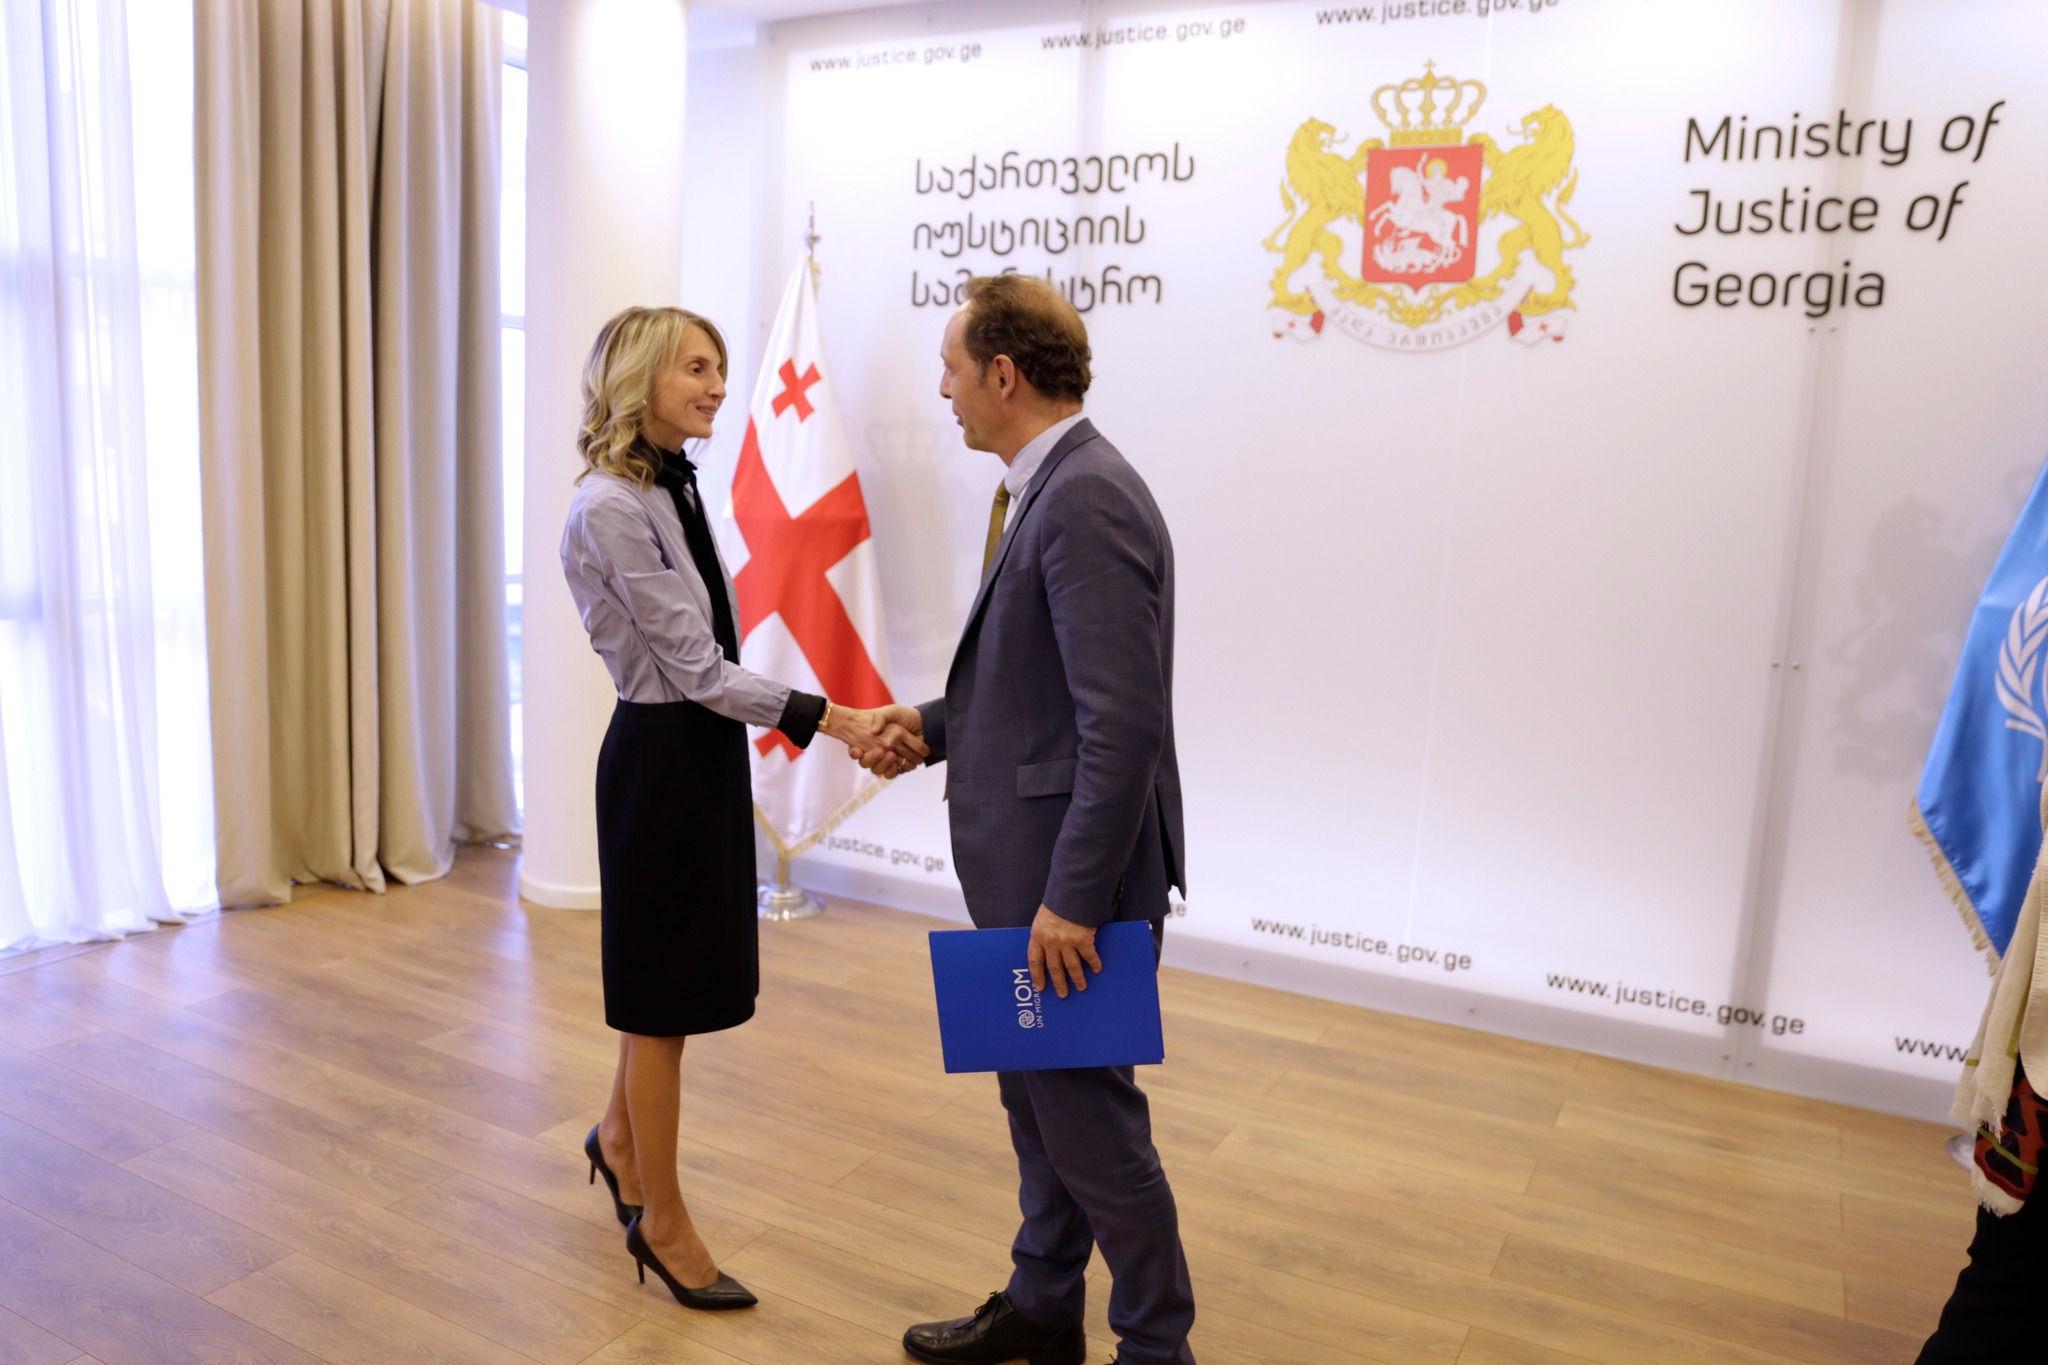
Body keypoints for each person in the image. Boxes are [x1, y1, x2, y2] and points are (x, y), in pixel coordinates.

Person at [853, 275, 1195, 1365]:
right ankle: (1044, 1305)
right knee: (1039, 1110)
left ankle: (1156, 1347)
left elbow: (1121, 728)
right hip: (1029, 878)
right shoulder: (1047, 486)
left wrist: (1071, 901)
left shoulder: (1085, 497)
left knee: (1091, 1128)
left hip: (1065, 892)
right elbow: (1032, 688)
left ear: (1002, 374)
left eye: (951, 370)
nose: (942, 391)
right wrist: (928, 726)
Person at [559, 305, 924, 1312]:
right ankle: (664, 1223)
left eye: (719, 367)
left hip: (699, 754)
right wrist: (837, 718)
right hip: (660, 764)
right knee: (661, 1005)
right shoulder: (611, 507)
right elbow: (695, 669)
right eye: (697, 368)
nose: (719, 386)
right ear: (640, 377)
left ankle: (617, 1138)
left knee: (665, 983)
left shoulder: (667, 486)